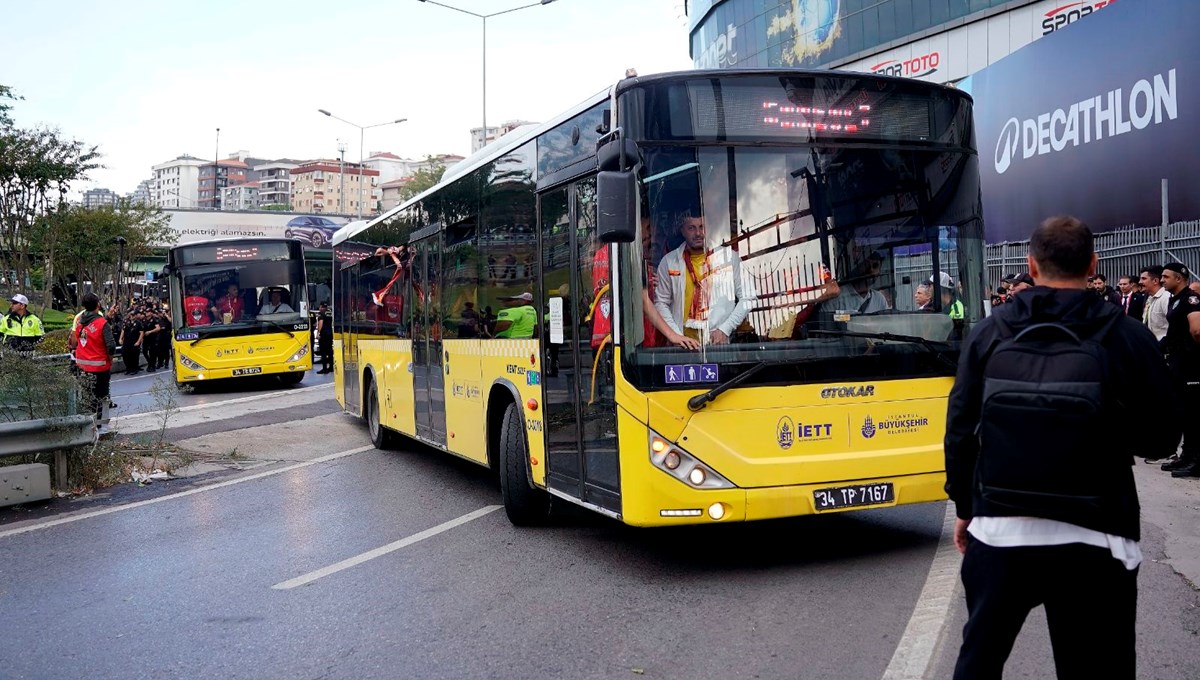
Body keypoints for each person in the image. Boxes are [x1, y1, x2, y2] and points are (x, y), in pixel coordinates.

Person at [945, 216, 1180, 680]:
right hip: (1098, 533)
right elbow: (1162, 436)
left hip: (1000, 530)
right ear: (1092, 264)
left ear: (1031, 265)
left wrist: (966, 505)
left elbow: (959, 427)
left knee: (979, 664)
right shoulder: (1125, 335)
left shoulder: (990, 333)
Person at [654, 212, 751, 345]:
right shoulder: (669, 261)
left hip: (718, 344)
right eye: (691, 228)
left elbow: (749, 298)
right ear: (682, 230)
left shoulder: (729, 258)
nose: (698, 233)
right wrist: (675, 335)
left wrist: (724, 329)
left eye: (702, 227)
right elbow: (660, 303)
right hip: (681, 346)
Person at [1159, 262, 1200, 478]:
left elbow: (1197, 330)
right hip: (1178, 363)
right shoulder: (1175, 300)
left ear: (1179, 278)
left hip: (1191, 365)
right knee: (1184, 412)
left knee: (1194, 414)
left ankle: (1197, 460)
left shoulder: (1190, 298)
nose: (1162, 280)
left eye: (1166, 277)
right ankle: (1187, 456)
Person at [69, 292, 116, 428]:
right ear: (98, 305)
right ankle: (99, 425)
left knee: (87, 397)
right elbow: (111, 346)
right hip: (100, 367)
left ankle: (88, 424)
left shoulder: (79, 322)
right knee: (101, 397)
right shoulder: (102, 323)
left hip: (82, 367)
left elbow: (74, 343)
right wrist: (110, 360)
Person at [1140, 265, 1170, 341]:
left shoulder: (1166, 298)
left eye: (1144, 279)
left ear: (1155, 281)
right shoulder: (1150, 299)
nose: (1140, 282)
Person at [119, 310, 144, 375]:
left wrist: (138, 341)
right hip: (127, 341)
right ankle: (128, 368)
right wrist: (120, 338)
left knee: (134, 356)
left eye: (133, 315)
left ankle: (134, 369)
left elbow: (141, 333)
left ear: (135, 316)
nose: (131, 316)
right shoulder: (127, 322)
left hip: (134, 341)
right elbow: (123, 330)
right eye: (130, 315)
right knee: (125, 355)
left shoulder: (138, 323)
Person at [317, 302, 333, 373]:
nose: (320, 308)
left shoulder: (321, 314)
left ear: (322, 307)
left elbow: (321, 323)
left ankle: (324, 368)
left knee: (323, 352)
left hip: (323, 334)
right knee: (329, 351)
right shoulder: (330, 313)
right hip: (329, 334)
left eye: (320, 307)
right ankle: (331, 367)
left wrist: (318, 333)